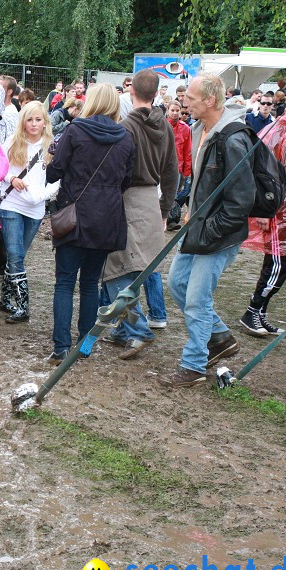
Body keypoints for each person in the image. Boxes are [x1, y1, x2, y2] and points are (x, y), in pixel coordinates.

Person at [160, 73, 254, 387]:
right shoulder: (201, 129)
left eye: (192, 98)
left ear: (210, 101)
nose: (185, 101)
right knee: (177, 283)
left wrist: (211, 230)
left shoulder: (233, 138)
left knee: (197, 299)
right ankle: (220, 338)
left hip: (218, 234)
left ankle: (193, 366)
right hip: (196, 226)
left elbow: (241, 200)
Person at [45, 84, 135, 364]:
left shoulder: (75, 131)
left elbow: (55, 171)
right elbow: (127, 179)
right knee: (90, 284)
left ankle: (61, 347)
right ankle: (84, 347)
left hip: (75, 212)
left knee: (64, 282)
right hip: (107, 217)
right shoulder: (126, 138)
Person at [101, 69, 179, 360]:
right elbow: (173, 172)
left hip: (128, 198)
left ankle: (138, 330)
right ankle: (122, 331)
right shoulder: (166, 126)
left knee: (115, 270)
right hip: (151, 198)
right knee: (134, 269)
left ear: (131, 91)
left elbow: (118, 172)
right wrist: (165, 210)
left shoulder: (125, 127)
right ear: (157, 93)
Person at [239, 87, 286, 337]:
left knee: (282, 264)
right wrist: (263, 208)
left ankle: (259, 312)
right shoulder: (281, 128)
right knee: (278, 264)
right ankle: (252, 312)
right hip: (277, 212)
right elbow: (260, 168)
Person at [0, 101, 59, 323]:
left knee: (19, 255)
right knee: (15, 255)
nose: (33, 124)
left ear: (45, 122)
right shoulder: (13, 142)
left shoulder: (53, 147)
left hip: (36, 208)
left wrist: (40, 196)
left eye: (38, 119)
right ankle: (22, 305)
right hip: (12, 204)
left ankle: (5, 297)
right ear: (23, 122)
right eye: (29, 119)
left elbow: (58, 179)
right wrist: (12, 178)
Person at [166, 101, 193, 231]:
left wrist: (187, 172)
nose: (175, 113)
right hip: (162, 167)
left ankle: (171, 220)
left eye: (178, 110)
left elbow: (188, 151)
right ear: (167, 110)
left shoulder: (185, 128)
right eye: (173, 110)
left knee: (174, 194)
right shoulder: (162, 126)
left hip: (177, 168)